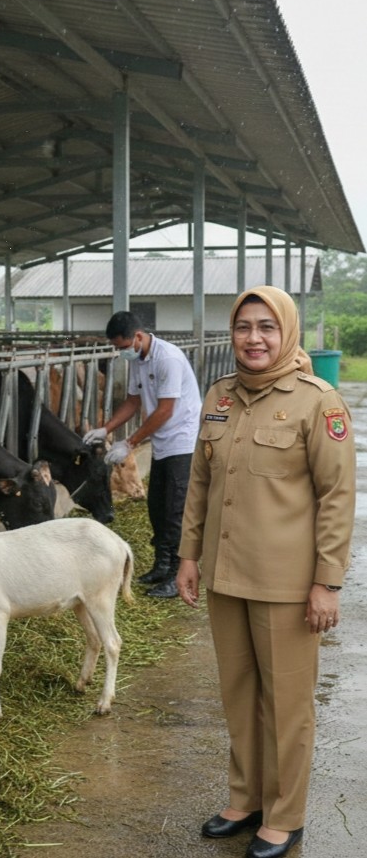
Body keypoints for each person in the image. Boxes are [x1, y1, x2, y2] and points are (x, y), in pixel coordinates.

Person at [176, 286, 355, 858]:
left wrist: (326, 582)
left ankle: (286, 814)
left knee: (287, 703)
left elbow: (336, 498)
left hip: (286, 583)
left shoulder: (317, 402)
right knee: (238, 693)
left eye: (267, 327)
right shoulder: (220, 396)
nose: (254, 339)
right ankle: (244, 798)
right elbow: (200, 485)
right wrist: (187, 555)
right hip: (225, 576)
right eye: (244, 327)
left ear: (287, 333)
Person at [83, 311, 201, 598]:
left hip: (182, 439)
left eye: (122, 346)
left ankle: (177, 574)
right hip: (163, 439)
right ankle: (162, 565)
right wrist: (105, 429)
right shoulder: (140, 359)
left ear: (138, 336)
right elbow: (134, 401)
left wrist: (131, 442)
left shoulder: (168, 359)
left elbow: (165, 409)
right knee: (157, 506)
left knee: (174, 509)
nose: (120, 352)